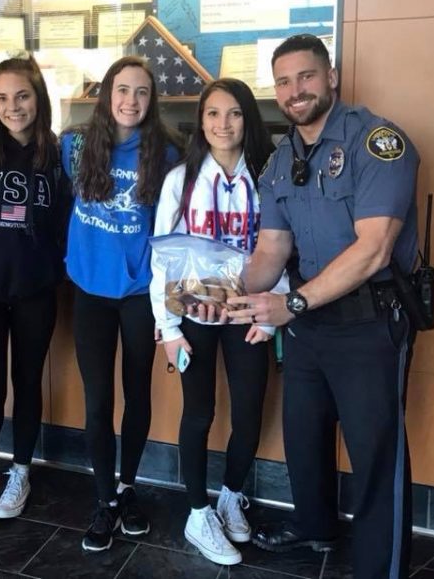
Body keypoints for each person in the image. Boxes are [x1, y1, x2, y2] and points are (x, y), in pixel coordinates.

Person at [223, 34, 419, 579]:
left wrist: (293, 301)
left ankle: (382, 568)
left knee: (375, 452)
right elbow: (272, 248)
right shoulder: (282, 160)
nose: (294, 90)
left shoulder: (377, 143)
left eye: (305, 76)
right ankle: (316, 530)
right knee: (304, 435)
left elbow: (375, 247)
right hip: (307, 323)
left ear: (331, 76)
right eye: (283, 81)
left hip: (369, 322)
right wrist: (227, 295)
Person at [150, 79, 280, 566]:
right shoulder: (179, 180)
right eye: (212, 114)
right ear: (200, 121)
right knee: (199, 413)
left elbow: (284, 247)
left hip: (250, 312)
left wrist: (271, 315)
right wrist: (168, 328)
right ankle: (198, 512)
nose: (222, 124)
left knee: (249, 409)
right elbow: (162, 260)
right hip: (195, 313)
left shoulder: (269, 177)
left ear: (249, 118)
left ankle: (229, 496)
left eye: (234, 114)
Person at [61, 55, 181, 552]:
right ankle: (103, 498)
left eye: (142, 92)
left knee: (137, 394)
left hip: (137, 296)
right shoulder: (75, 145)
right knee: (97, 400)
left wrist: (169, 308)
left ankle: (127, 486)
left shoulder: (167, 154)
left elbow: (174, 231)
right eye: (123, 90)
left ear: (151, 102)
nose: (131, 101)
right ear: (107, 93)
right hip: (90, 291)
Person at [0, 56, 65, 519]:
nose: (12, 107)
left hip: (36, 290)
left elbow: (65, 221)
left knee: (27, 381)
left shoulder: (56, 154)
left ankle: (20, 470)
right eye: (1, 98)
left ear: (38, 97)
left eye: (21, 95)